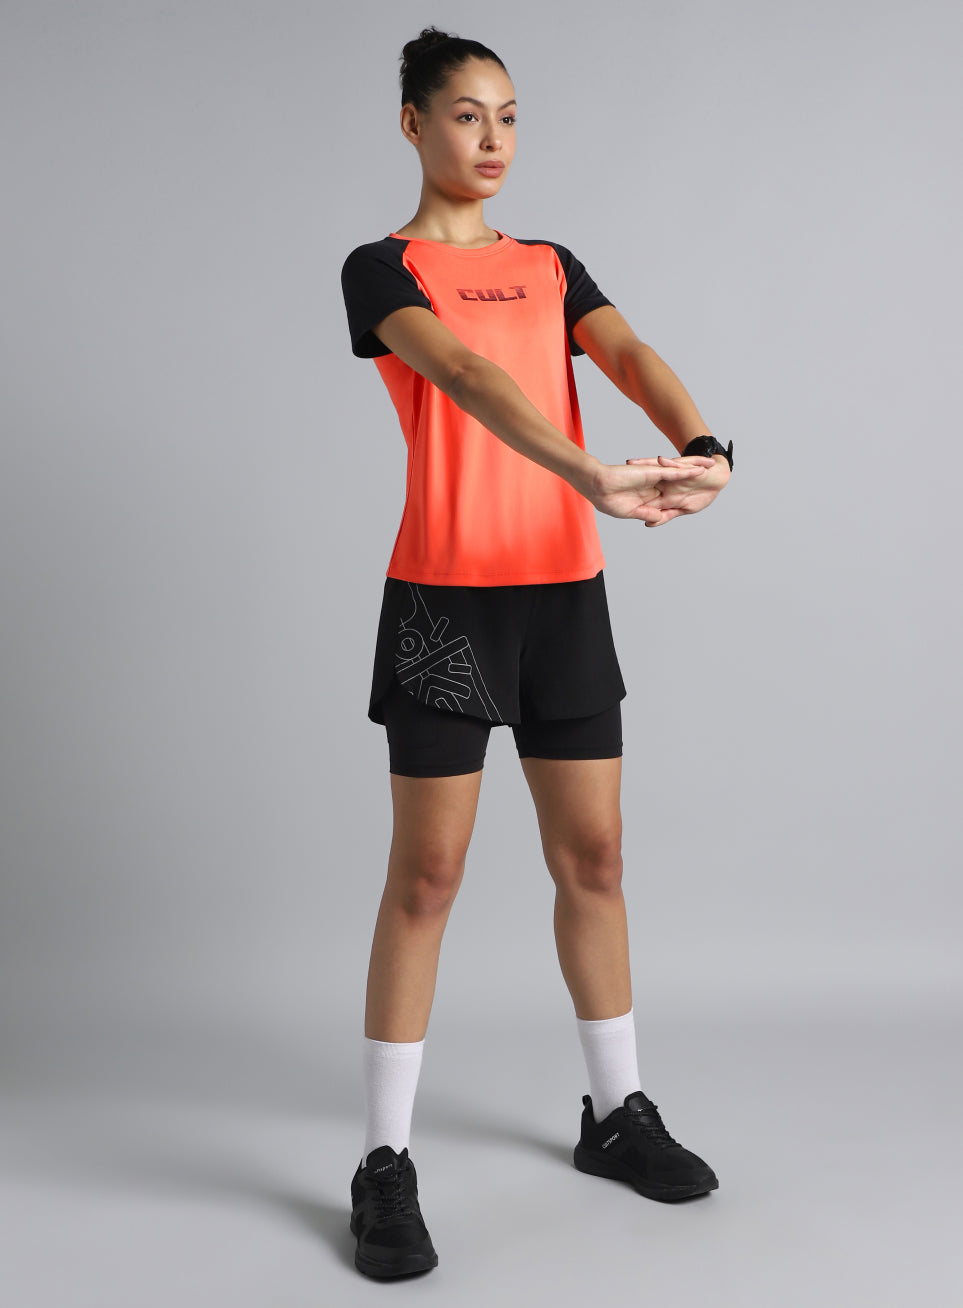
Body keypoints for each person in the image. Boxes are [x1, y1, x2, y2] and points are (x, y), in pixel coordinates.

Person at [339, 25, 733, 1281]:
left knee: (597, 860)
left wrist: (704, 446)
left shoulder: (551, 264)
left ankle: (615, 1115)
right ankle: (383, 1165)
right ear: (414, 124)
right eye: (466, 114)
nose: (492, 138)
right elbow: (461, 374)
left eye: (509, 115)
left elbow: (626, 352)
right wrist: (590, 473)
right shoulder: (380, 269)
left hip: (563, 600)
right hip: (446, 604)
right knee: (428, 879)